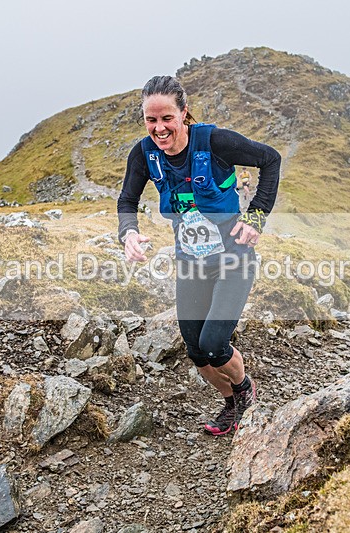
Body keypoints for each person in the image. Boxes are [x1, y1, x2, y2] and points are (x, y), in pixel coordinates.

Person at [117, 75, 281, 436]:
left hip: (234, 258)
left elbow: (271, 160)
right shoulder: (144, 154)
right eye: (151, 120)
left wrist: (255, 217)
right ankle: (232, 403)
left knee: (214, 344)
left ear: (183, 114)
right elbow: (127, 200)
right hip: (191, 263)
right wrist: (127, 233)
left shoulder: (215, 142)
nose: (159, 128)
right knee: (195, 350)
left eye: (167, 119)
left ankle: (244, 390)